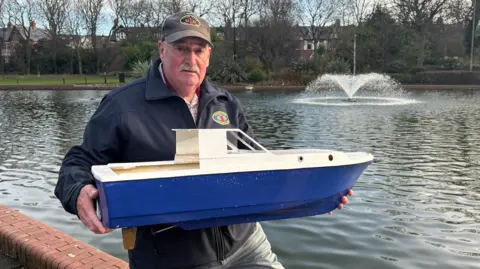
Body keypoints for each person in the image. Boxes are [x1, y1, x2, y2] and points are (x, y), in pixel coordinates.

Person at [54, 11, 353, 269]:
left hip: (245, 242)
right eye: (181, 48)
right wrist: (78, 190)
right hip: (171, 257)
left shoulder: (225, 103)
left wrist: (317, 194)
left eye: (199, 50)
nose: (191, 59)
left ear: (209, 56)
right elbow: (78, 163)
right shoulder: (122, 105)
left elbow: (260, 167)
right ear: (161, 50)